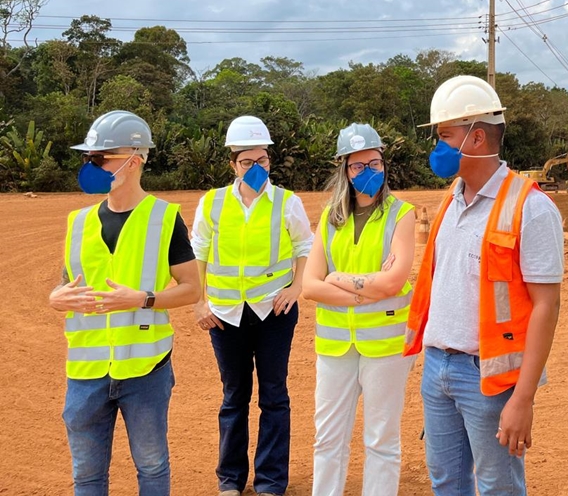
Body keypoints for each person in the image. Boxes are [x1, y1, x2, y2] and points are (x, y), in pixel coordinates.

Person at [404, 76, 565, 495]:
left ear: (476, 138)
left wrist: (523, 398)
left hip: (490, 380)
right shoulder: (450, 200)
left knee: (498, 488)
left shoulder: (531, 208)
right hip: (438, 368)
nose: (437, 147)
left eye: (444, 136)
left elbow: (546, 306)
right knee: (446, 482)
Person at [49, 110, 201, 496]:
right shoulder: (77, 222)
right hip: (85, 375)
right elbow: (69, 285)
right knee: (86, 475)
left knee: (151, 467)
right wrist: (56, 297)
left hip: (145, 371)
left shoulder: (165, 219)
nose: (91, 166)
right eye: (89, 158)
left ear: (133, 160)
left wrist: (143, 299)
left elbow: (191, 289)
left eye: (100, 158)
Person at [191, 115, 313, 496]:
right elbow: (199, 255)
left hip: (273, 312)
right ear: (232, 164)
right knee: (234, 397)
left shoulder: (286, 202)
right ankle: (230, 479)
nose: (256, 168)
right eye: (247, 162)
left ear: (269, 162)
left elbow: (304, 248)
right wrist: (199, 301)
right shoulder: (211, 203)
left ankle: (271, 481)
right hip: (226, 315)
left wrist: (296, 288)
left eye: (263, 161)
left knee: (274, 395)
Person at [302, 122, 417, 496]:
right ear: (345, 171)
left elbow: (393, 283)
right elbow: (309, 286)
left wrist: (337, 279)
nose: (368, 172)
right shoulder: (329, 218)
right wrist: (363, 290)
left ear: (384, 165)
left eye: (374, 163)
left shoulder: (401, 215)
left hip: (385, 347)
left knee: (381, 441)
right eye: (357, 166)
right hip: (335, 347)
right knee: (328, 439)